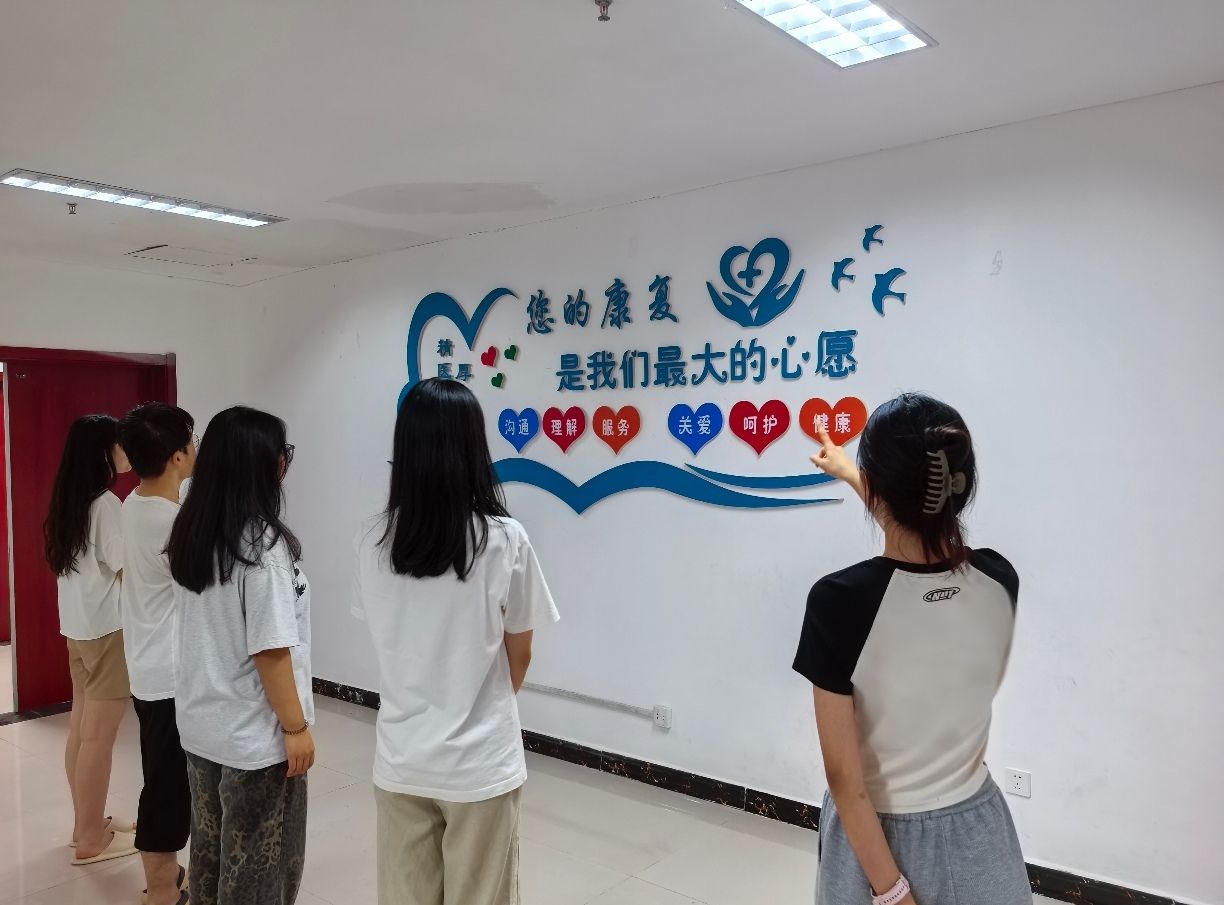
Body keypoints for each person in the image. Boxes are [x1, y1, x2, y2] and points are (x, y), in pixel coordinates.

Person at [797, 393, 1030, 905]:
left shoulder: (839, 602)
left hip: (873, 843)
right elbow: (921, 533)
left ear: (880, 491)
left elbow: (845, 778)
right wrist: (854, 474)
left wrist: (892, 892)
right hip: (979, 829)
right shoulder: (1000, 579)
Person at [353, 378, 559, 905]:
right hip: (480, 762)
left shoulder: (373, 539)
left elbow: (386, 633)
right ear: (472, 448)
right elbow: (521, 651)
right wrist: (479, 704)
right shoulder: (504, 539)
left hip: (401, 758)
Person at [167, 406, 314, 905]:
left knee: (209, 860)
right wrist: (295, 728)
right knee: (258, 875)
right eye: (282, 454)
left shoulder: (195, 528)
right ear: (263, 465)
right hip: (253, 738)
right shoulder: (262, 546)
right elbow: (270, 649)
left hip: (202, 726)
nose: (284, 464)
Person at [44, 414, 139, 865]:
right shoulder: (105, 505)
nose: (126, 451)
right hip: (107, 632)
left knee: (82, 731)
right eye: (120, 444)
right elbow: (129, 571)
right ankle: (89, 839)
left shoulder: (69, 502)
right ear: (103, 451)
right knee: (99, 738)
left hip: (79, 629)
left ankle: (86, 822)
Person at [118, 403, 197, 905]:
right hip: (170, 673)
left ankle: (166, 877)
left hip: (147, 665)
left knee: (163, 776)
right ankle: (162, 891)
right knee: (168, 786)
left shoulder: (133, 503)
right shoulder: (173, 524)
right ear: (177, 457)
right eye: (191, 440)